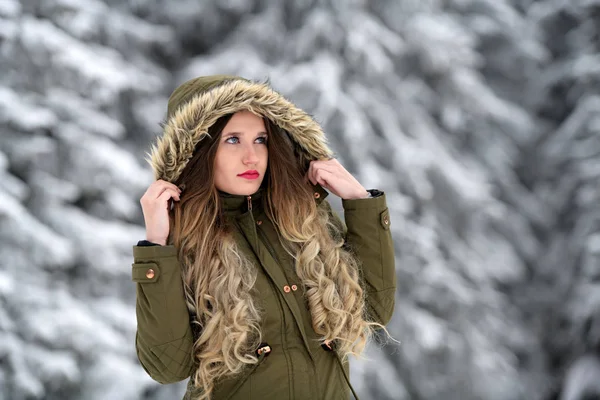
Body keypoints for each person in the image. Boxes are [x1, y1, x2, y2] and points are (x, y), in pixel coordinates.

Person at [132, 75, 396, 400]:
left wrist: (360, 203)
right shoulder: (180, 241)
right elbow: (168, 367)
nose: (252, 157)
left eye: (260, 139)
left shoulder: (303, 220)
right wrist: (155, 248)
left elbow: (375, 310)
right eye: (233, 140)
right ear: (198, 149)